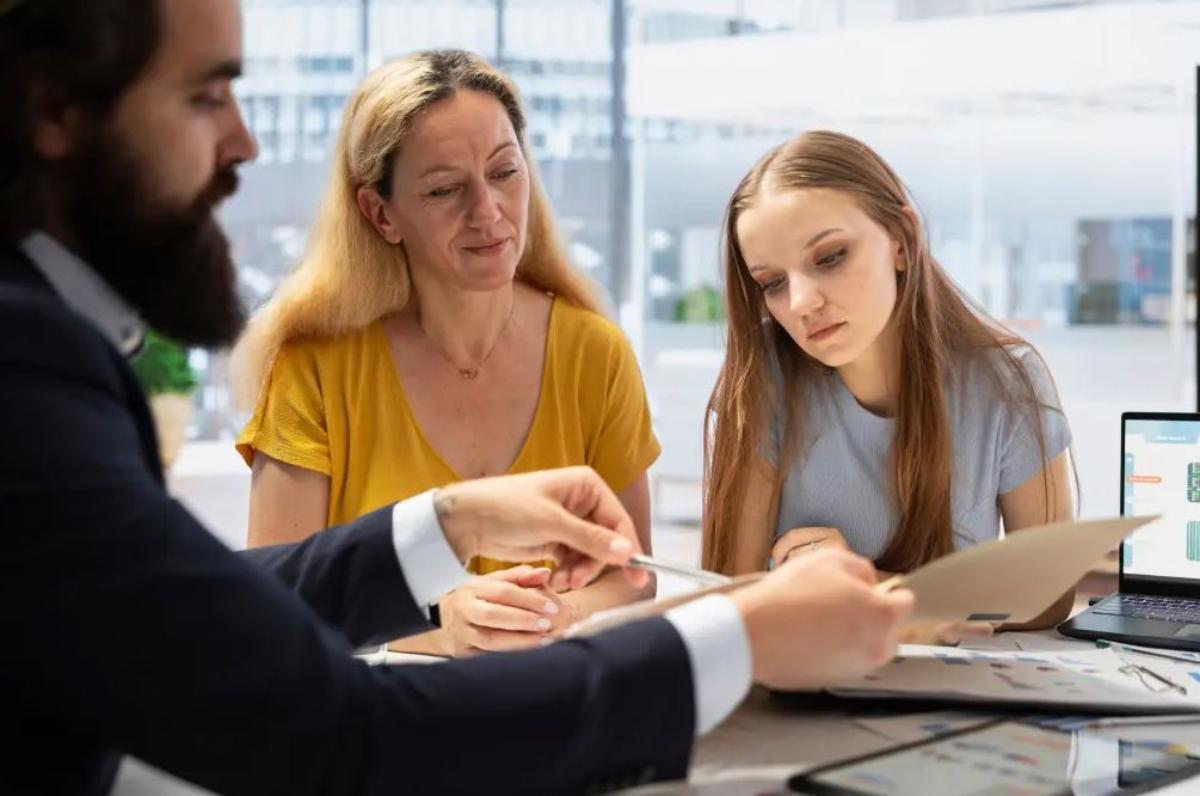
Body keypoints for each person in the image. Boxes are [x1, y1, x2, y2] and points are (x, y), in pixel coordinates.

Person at [0, 2, 915, 794]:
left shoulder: (49, 344)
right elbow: (334, 732)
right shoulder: (27, 366)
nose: (243, 140)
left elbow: (195, 618)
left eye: (506, 172)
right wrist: (731, 638)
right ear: (53, 109)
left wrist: (448, 523)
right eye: (206, 96)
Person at [231, 49, 659, 656]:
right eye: (445, 189)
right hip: (380, 730)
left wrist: (552, 614)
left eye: (505, 172)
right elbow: (274, 609)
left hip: (545, 718)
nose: (488, 213)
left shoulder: (596, 353)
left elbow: (633, 576)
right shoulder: (314, 369)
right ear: (381, 214)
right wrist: (437, 626)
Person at [702, 130, 1074, 645]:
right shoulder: (762, 377)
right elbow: (730, 597)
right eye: (773, 283)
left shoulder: (1007, 382)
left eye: (829, 257)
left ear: (901, 240)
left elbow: (1049, 597)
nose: (803, 302)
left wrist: (875, 589)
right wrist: (920, 608)